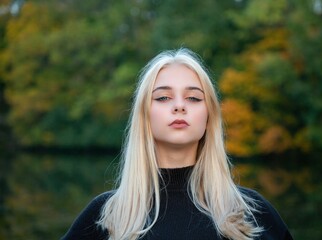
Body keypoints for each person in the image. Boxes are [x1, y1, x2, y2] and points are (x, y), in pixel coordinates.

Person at [61, 48, 293, 240]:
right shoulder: (105, 217)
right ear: (144, 116)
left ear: (208, 117)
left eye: (193, 97)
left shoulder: (251, 214)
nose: (180, 106)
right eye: (163, 97)